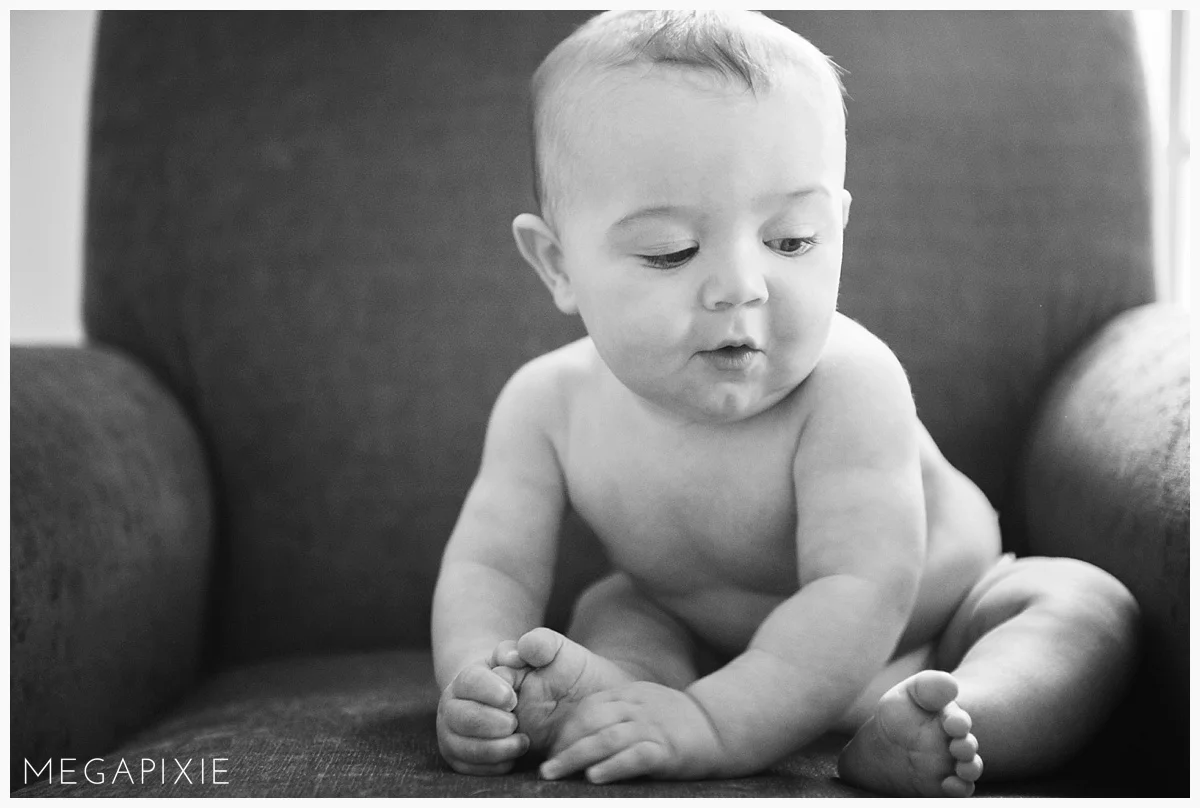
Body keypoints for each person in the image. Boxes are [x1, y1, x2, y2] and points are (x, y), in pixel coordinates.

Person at [430, 10, 1139, 797]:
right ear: (558, 264)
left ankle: (946, 719)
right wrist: (474, 679)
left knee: (1081, 605)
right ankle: (617, 694)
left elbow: (862, 590)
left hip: (935, 629)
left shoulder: (850, 384)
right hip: (701, 643)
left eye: (792, 240)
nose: (742, 284)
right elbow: (489, 563)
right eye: (671, 251)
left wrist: (717, 727)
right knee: (618, 609)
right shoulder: (546, 407)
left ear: (836, 226)